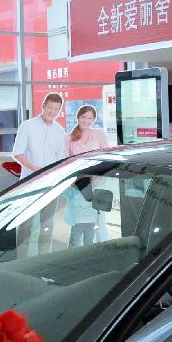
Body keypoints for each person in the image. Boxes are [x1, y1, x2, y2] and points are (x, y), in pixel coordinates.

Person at [12, 92, 67, 254]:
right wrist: (37, 170)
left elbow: (60, 157)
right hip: (30, 183)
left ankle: (42, 260)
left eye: (56, 109)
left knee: (47, 225)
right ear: (43, 106)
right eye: (49, 107)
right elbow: (18, 153)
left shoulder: (59, 130)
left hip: (51, 184)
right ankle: (21, 260)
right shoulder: (27, 126)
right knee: (26, 224)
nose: (52, 111)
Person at [64, 105, 110, 246]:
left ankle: (102, 249)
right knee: (79, 220)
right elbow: (65, 161)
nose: (86, 120)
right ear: (78, 117)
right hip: (79, 184)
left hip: (98, 181)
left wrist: (95, 175)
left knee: (99, 219)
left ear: (94, 119)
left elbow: (106, 157)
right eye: (84, 117)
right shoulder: (68, 138)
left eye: (90, 117)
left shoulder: (99, 134)